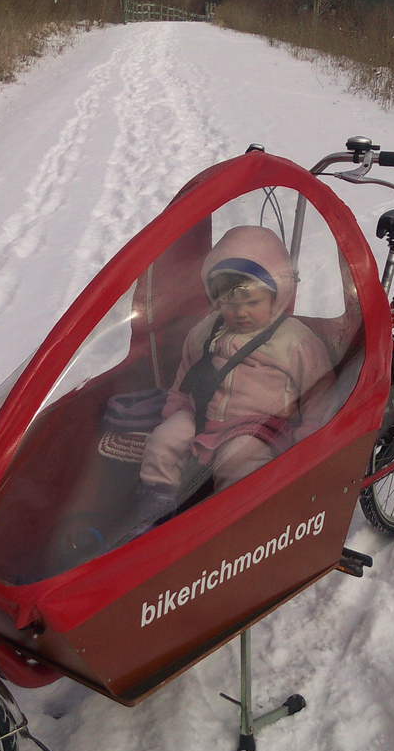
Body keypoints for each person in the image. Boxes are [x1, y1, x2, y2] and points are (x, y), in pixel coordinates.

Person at [136, 225, 335, 526]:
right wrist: (176, 410)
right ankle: (157, 507)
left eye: (252, 302)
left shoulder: (295, 340)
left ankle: (235, 523)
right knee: (163, 440)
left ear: (276, 294)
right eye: (230, 303)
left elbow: (320, 391)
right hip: (203, 414)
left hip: (259, 427)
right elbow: (185, 375)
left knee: (237, 459)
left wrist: (308, 438)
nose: (241, 312)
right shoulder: (205, 331)